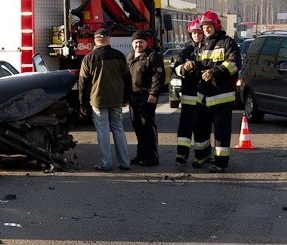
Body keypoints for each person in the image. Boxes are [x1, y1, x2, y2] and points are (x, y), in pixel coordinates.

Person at [191, 10, 241, 173]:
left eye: (208, 26)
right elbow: (198, 65)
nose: (206, 29)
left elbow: (233, 64)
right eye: (204, 27)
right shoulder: (201, 45)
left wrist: (214, 72)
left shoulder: (227, 43)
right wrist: (189, 66)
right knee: (199, 127)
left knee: (221, 131)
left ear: (216, 26)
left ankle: (220, 163)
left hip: (221, 97)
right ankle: (202, 156)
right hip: (203, 96)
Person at [78, 28, 132, 171]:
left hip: (98, 100)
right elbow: (127, 78)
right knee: (118, 129)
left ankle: (106, 164)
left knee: (102, 131)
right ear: (108, 39)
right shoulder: (119, 56)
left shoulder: (88, 58)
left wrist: (83, 104)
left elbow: (83, 83)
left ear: (95, 40)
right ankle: (125, 162)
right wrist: (126, 97)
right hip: (116, 98)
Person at [126, 30, 165, 167]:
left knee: (147, 127)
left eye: (140, 42)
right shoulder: (130, 57)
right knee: (137, 127)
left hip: (146, 97)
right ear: (132, 43)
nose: (138, 45)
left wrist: (153, 94)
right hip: (133, 97)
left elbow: (158, 77)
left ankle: (152, 157)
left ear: (146, 42)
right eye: (136, 42)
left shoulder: (153, 56)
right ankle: (141, 155)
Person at [173, 19, 206, 164]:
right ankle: (182, 154)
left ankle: (202, 155)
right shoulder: (186, 51)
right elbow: (176, 69)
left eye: (199, 33)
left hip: (205, 96)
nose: (197, 36)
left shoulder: (208, 49)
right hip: (189, 95)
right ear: (190, 34)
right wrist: (184, 67)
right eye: (194, 33)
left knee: (201, 127)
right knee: (185, 126)